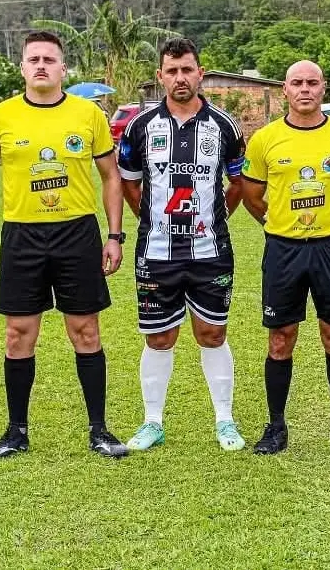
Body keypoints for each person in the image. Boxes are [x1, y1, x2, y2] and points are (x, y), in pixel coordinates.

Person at [0, 29, 127, 460]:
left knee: (85, 330)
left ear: (62, 68)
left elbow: (111, 177)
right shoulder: (1, 116)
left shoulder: (87, 116)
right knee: (18, 335)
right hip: (22, 236)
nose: (41, 66)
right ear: (22, 68)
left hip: (77, 233)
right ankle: (16, 432)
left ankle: (99, 430)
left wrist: (114, 235)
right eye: (33, 59)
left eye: (49, 60)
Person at [116, 36, 247, 454]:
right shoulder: (141, 127)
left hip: (211, 253)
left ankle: (224, 420)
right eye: (171, 71)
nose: (180, 78)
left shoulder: (224, 126)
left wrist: (213, 217)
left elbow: (238, 183)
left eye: (187, 69)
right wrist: (156, 220)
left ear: (200, 73)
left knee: (212, 334)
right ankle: (153, 422)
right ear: (160, 77)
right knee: (158, 338)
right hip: (156, 254)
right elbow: (129, 185)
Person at [240, 59, 330, 456]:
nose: (304, 90)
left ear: (323, 88)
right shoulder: (265, 139)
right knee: (281, 338)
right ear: (285, 90)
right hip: (282, 249)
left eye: (312, 83)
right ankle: (276, 426)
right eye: (297, 83)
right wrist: (273, 222)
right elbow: (251, 194)